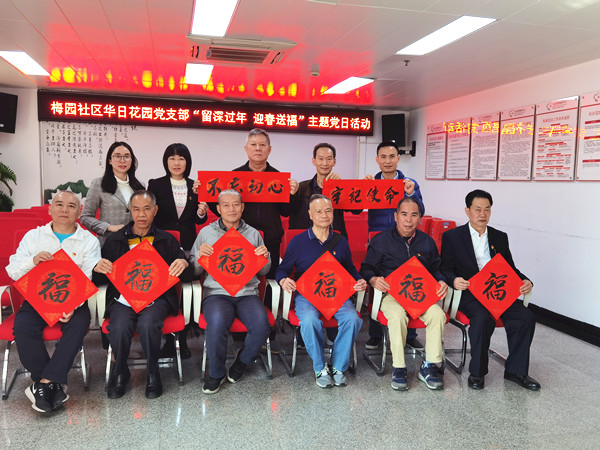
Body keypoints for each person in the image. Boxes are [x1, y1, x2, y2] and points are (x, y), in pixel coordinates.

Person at [7, 191, 101, 413]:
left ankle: (42, 385)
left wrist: (72, 305)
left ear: (79, 213)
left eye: (71, 206)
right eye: (59, 204)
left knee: (78, 324)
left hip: (73, 302)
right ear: (50, 209)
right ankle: (50, 383)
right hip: (37, 299)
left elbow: (87, 277)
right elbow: (12, 270)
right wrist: (33, 261)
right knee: (22, 326)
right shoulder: (33, 237)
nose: (64, 210)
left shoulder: (89, 240)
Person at [440, 189, 540, 391]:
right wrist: (454, 280)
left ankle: (516, 371)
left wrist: (525, 280)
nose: (482, 214)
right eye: (477, 209)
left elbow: (510, 268)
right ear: (467, 211)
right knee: (482, 318)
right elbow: (445, 268)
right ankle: (477, 372)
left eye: (487, 209)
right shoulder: (452, 236)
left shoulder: (499, 237)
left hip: (496, 291)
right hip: (469, 292)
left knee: (525, 317)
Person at [94, 190, 189, 400]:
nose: (141, 214)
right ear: (130, 210)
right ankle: (121, 371)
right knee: (119, 326)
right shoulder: (115, 240)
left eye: (147, 209)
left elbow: (186, 272)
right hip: (123, 298)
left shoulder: (167, 239)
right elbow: (99, 278)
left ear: (155, 210)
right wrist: (98, 268)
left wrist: (184, 262)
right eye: (136, 209)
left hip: (157, 298)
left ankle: (153, 373)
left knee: (148, 324)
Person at [276, 194, 367, 388]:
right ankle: (320, 367)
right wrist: (283, 280)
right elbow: (282, 270)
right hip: (307, 295)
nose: (324, 215)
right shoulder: (298, 242)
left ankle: (338, 366)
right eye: (318, 211)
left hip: (335, 294)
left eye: (328, 211)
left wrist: (359, 280)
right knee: (309, 320)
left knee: (352, 319)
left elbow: (350, 269)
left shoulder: (340, 241)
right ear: (310, 214)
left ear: (333, 213)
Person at [360, 197, 447, 390]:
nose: (408, 220)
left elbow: (436, 269)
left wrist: (441, 280)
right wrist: (373, 279)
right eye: (404, 214)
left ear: (420, 218)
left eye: (414, 215)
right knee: (397, 315)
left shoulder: (427, 242)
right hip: (391, 295)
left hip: (419, 294)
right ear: (396, 216)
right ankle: (399, 367)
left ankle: (430, 365)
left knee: (437, 315)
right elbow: (366, 268)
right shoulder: (381, 240)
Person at [190, 189, 271, 394]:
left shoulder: (253, 234)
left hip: (247, 293)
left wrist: (265, 257)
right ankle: (216, 373)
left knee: (262, 325)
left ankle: (242, 361)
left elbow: (264, 271)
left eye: (236, 204)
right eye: (225, 205)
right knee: (217, 324)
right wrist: (199, 257)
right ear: (218, 209)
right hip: (217, 293)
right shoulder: (206, 233)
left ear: (242, 207)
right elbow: (194, 270)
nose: (231, 209)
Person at [148, 143, 208, 359]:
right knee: (166, 288)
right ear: (166, 161)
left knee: (185, 286)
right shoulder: (155, 184)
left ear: (187, 162)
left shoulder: (195, 185)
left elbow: (198, 220)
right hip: (163, 246)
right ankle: (168, 338)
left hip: (189, 245)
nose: (176, 163)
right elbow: (151, 214)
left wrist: (201, 212)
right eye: (172, 158)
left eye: (181, 158)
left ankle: (182, 338)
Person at [364, 141, 424, 351]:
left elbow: (421, 210)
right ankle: (375, 334)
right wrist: (362, 188)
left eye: (391, 156)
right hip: (379, 240)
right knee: (377, 284)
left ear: (398, 158)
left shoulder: (410, 183)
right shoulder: (371, 182)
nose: (387, 161)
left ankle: (411, 334)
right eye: (383, 157)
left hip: (406, 238)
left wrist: (411, 194)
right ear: (377, 159)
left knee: (411, 282)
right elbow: (354, 209)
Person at [289, 142, 361, 237]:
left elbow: (357, 210)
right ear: (314, 161)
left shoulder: (340, 187)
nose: (325, 163)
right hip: (307, 239)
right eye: (320, 159)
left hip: (334, 239)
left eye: (329, 159)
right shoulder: (301, 187)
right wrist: (291, 194)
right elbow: (287, 211)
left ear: (334, 162)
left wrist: (342, 187)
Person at [81, 141, 145, 246]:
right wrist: (108, 227)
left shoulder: (140, 186)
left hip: (135, 243)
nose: (122, 160)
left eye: (127, 156)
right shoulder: (98, 184)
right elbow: (85, 217)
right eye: (118, 156)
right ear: (110, 160)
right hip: (109, 242)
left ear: (132, 160)